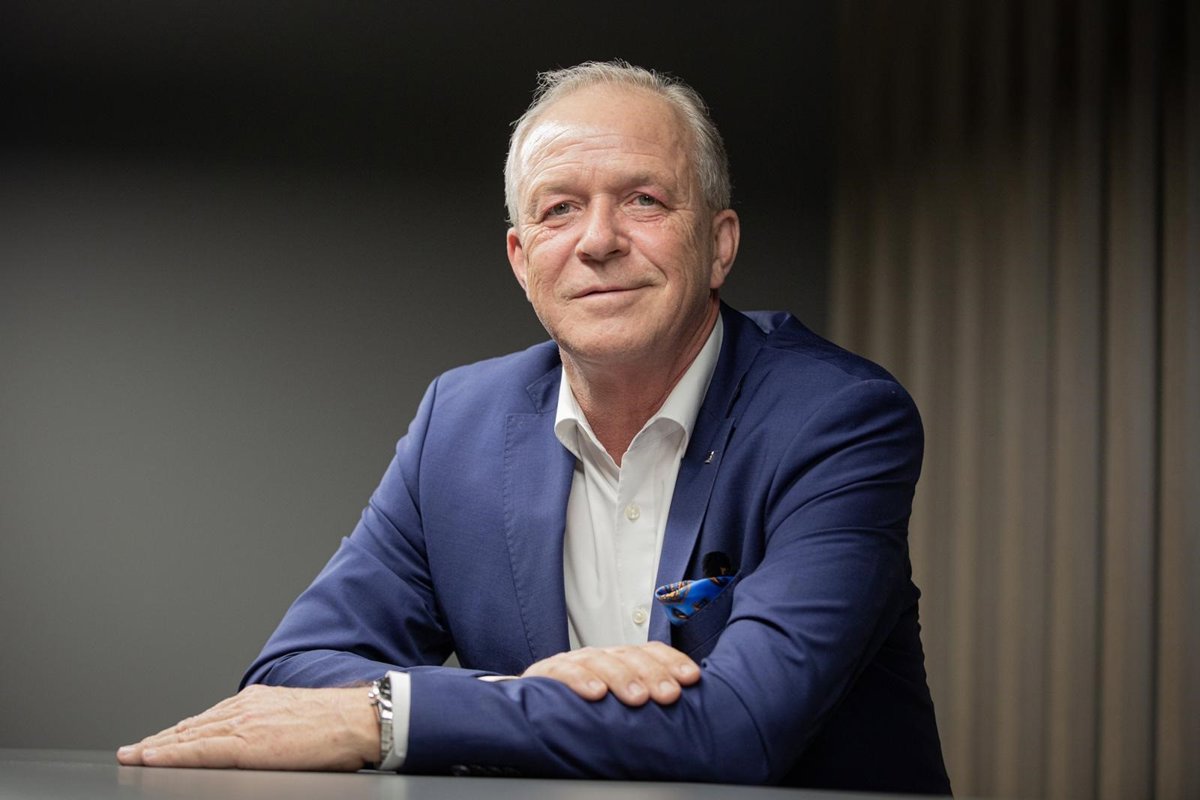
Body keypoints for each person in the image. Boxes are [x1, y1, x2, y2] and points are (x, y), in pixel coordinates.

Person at [117, 60, 951, 793]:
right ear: (522, 260)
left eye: (643, 200)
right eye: (560, 210)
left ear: (719, 244)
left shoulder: (837, 419)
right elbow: (292, 676)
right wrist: (532, 693)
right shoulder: (459, 423)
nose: (598, 241)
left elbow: (740, 727)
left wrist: (393, 715)